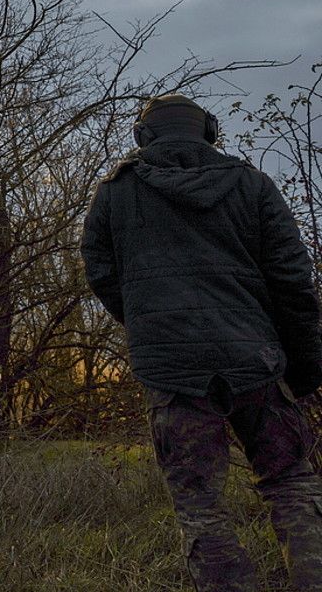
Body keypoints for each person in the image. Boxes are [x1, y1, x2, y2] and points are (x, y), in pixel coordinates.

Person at [82, 93, 322, 591]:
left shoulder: (114, 193)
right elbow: (294, 281)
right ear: (208, 133)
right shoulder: (253, 185)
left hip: (175, 375)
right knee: (293, 484)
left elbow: (102, 275)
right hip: (255, 359)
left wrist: (155, 329)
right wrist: (304, 370)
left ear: (143, 138)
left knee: (200, 504)